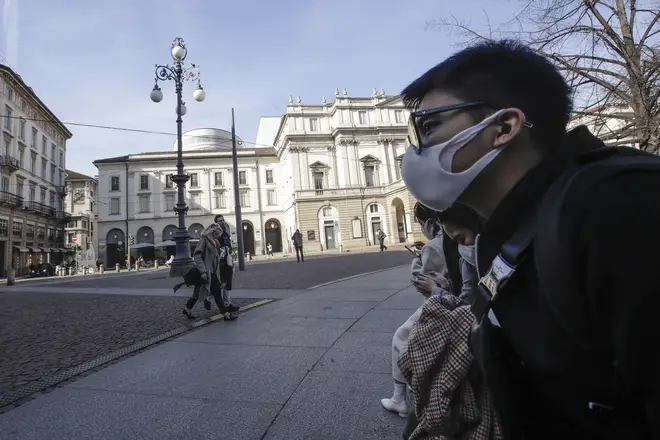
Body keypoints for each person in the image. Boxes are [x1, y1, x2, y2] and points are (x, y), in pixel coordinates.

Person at [401, 39, 660, 439]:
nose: (415, 151)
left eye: (430, 127)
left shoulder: (620, 206)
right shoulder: (505, 235)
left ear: (503, 127)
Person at [381, 202, 449, 418]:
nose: (421, 228)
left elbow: (422, 283)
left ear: (430, 223)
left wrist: (417, 260)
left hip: (440, 304)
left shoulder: (433, 246)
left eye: (421, 224)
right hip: (451, 300)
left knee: (400, 338)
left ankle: (399, 399)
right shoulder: (451, 240)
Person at [179, 223, 237, 321]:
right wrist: (203, 271)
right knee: (217, 293)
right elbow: (197, 256)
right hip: (205, 272)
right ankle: (226, 314)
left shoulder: (214, 242)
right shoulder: (204, 240)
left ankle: (187, 309)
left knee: (196, 294)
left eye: (219, 234)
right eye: (216, 233)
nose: (218, 236)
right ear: (212, 231)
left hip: (212, 272)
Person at [213, 215, 239, 313]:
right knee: (221, 282)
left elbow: (228, 243)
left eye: (223, 220)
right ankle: (210, 299)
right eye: (220, 221)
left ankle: (227, 303)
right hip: (220, 260)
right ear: (216, 223)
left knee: (227, 281)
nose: (222, 222)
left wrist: (230, 252)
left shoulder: (226, 230)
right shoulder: (215, 233)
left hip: (227, 258)